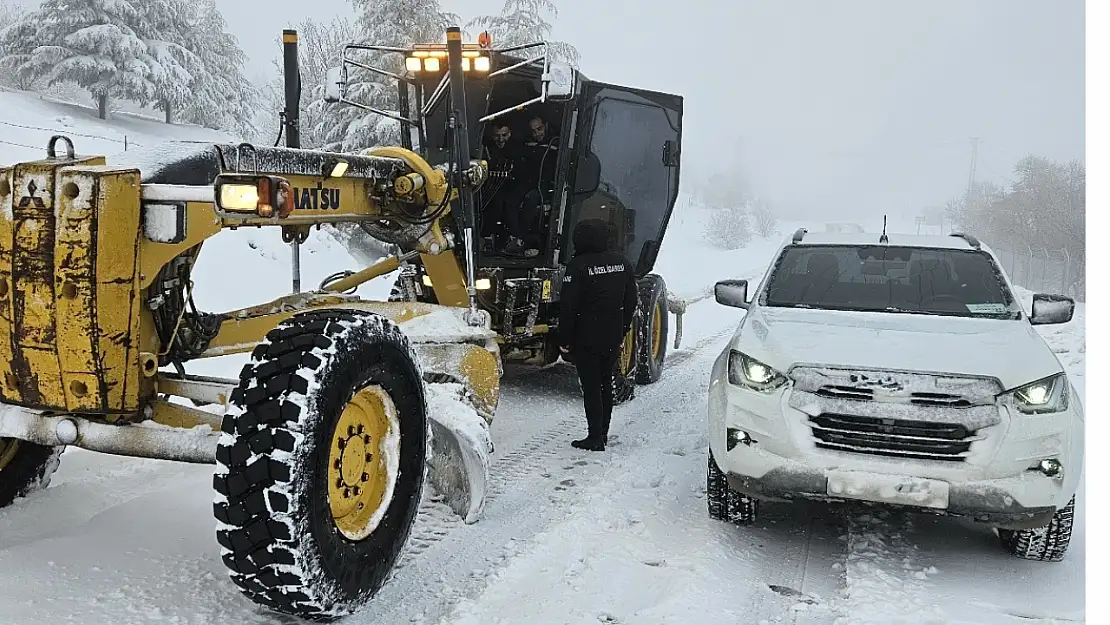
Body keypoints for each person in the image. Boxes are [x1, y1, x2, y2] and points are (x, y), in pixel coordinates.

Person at [558, 218, 638, 451]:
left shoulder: (578, 266)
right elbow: (631, 300)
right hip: (612, 335)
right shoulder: (622, 263)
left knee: (592, 386)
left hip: (586, 336)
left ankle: (594, 437)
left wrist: (564, 340)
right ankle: (603, 432)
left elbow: (568, 307)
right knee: (605, 382)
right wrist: (621, 328)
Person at [502, 115, 559, 257]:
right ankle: (515, 236)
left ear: (545, 126)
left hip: (546, 185)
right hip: (528, 182)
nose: (537, 134)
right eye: (533, 131)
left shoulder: (556, 143)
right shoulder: (527, 143)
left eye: (539, 129)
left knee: (530, 200)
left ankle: (522, 239)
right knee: (510, 200)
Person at [479, 123, 522, 245]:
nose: (501, 139)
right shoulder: (487, 149)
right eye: (496, 136)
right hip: (492, 186)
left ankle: (514, 237)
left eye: (504, 135)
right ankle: (488, 237)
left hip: (513, 185)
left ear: (510, 134)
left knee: (507, 203)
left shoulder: (517, 148)